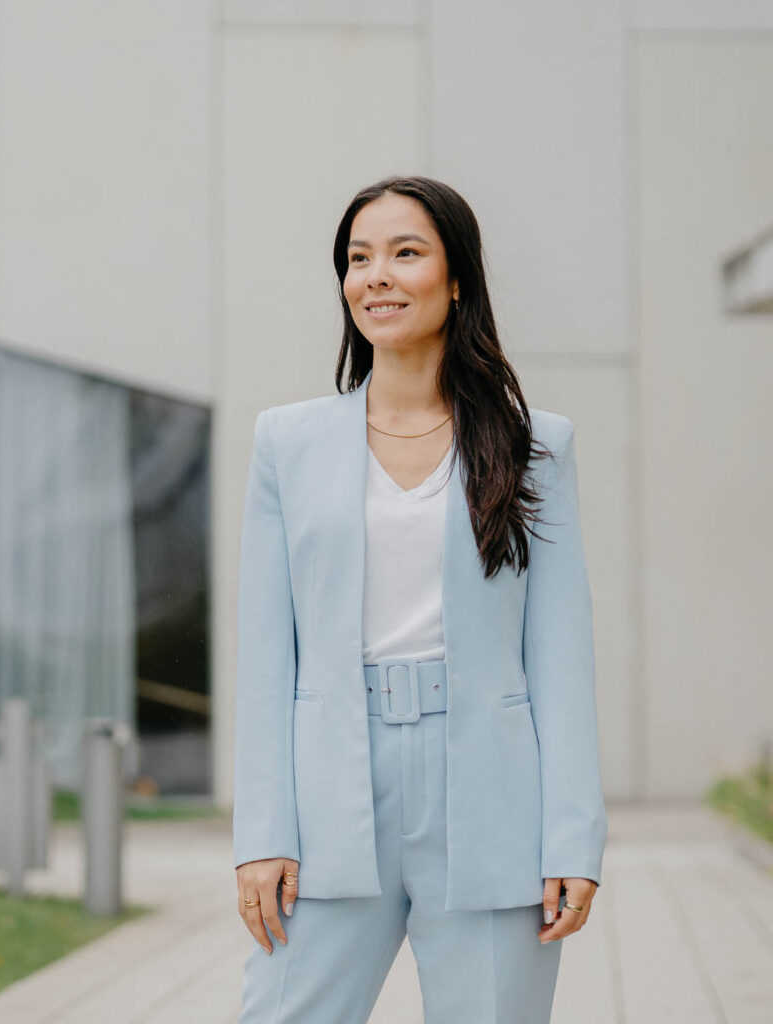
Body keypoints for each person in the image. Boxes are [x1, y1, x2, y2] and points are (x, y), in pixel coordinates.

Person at [233, 175, 608, 1023]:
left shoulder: (535, 445)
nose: (377, 276)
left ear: (457, 279)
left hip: (491, 793)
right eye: (358, 258)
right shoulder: (285, 443)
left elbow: (561, 651)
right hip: (330, 788)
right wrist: (262, 834)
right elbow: (265, 655)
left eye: (406, 253)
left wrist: (572, 838)